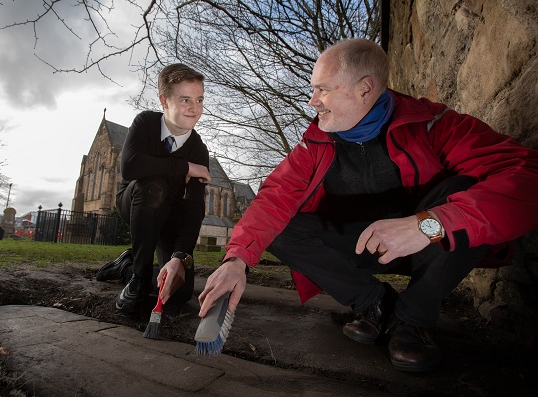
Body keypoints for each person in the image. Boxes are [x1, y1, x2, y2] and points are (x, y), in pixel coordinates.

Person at [198, 38, 538, 372]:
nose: (312, 100)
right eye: (312, 89)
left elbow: (527, 177)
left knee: (464, 187)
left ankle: (411, 320)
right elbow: (273, 198)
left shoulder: (436, 125)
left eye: (323, 89)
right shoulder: (314, 143)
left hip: (430, 245)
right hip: (359, 246)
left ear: (364, 89)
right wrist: (237, 259)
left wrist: (427, 224)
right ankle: (376, 305)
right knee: (281, 227)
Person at [96, 63, 211, 313]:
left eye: (199, 99)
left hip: (171, 218)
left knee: (178, 293)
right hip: (137, 202)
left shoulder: (199, 150)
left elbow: (193, 207)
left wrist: (179, 256)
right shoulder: (146, 123)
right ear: (164, 100)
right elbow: (131, 167)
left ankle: (126, 264)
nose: (195, 109)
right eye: (185, 100)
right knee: (154, 184)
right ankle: (138, 275)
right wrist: (185, 168)